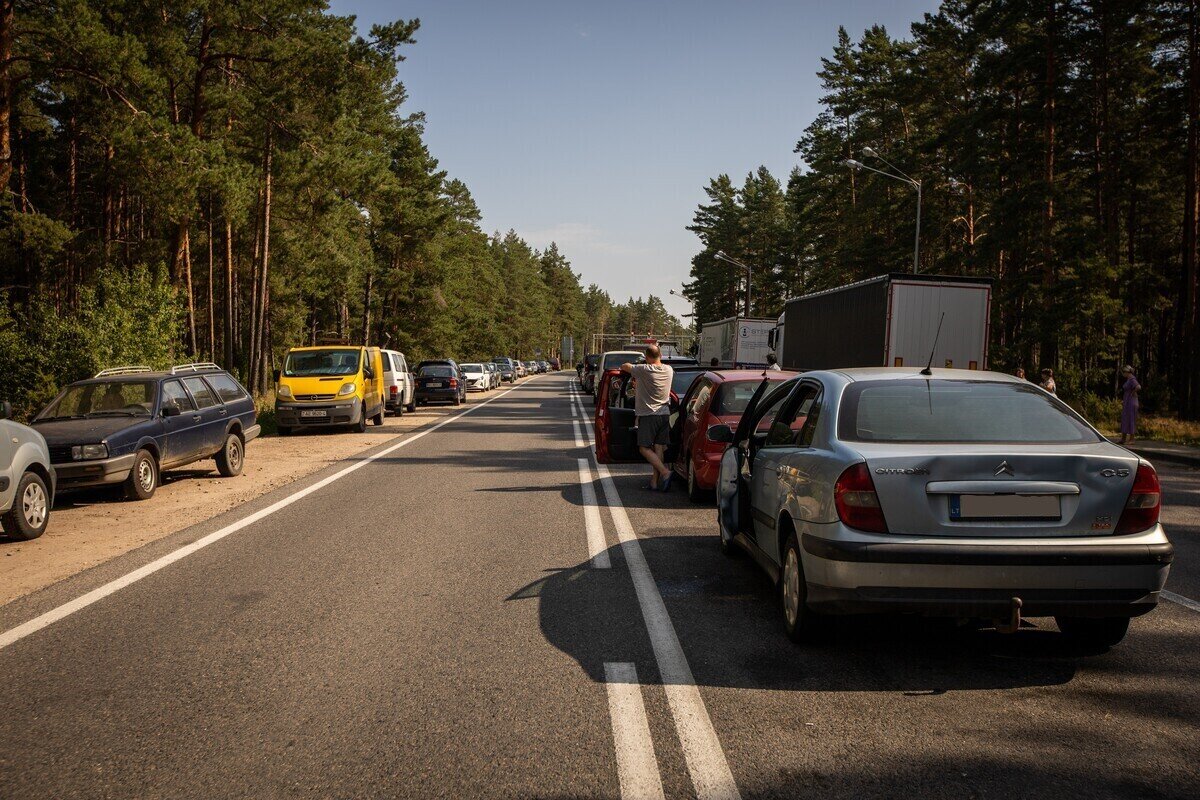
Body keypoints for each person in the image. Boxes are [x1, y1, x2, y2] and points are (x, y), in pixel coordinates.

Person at [621, 345, 674, 491]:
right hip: (664, 414)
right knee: (658, 448)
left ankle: (665, 472)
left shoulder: (644, 370)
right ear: (661, 356)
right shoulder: (669, 370)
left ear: (647, 357)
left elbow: (625, 366)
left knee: (643, 449)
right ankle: (654, 483)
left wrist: (639, 364)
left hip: (648, 415)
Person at [1119, 365, 1140, 445]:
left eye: (1124, 372)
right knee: (1125, 419)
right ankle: (1123, 438)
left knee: (1131, 419)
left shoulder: (1132, 379)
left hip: (1132, 402)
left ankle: (1132, 439)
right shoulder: (1128, 379)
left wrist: (1134, 392)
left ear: (1127, 372)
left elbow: (1138, 386)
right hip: (1127, 402)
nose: (1123, 374)